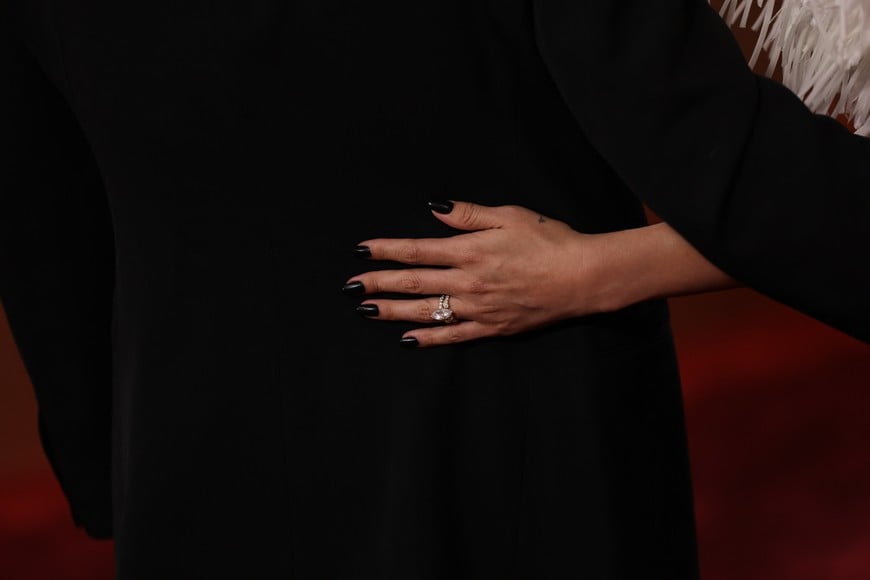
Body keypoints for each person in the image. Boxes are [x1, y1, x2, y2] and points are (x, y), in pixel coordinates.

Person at [1, 2, 867, 580]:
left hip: (197, 467)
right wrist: (600, 274)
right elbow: (756, 184)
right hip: (521, 453)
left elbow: (43, 229)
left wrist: (107, 468)